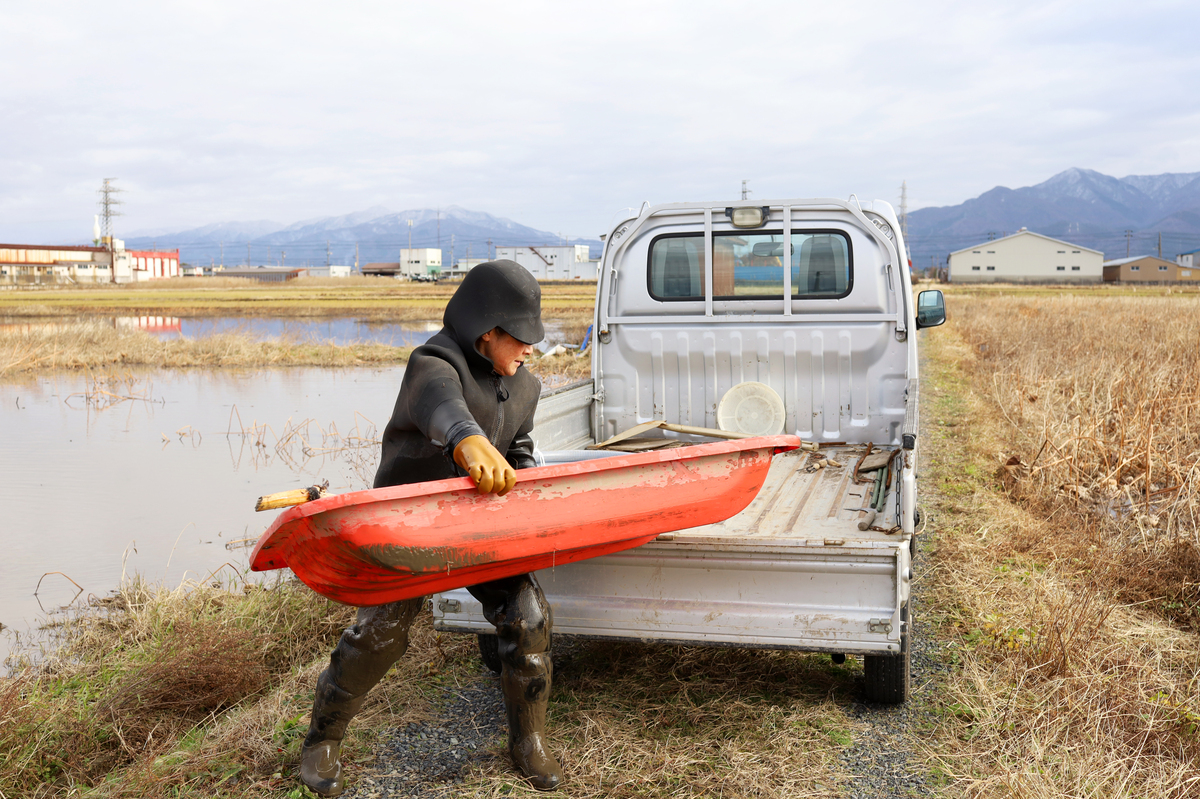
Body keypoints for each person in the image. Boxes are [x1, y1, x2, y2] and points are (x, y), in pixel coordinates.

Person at [299, 260, 562, 795]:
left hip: (478, 528)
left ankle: (528, 743)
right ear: (487, 333)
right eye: (521, 339)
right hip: (408, 528)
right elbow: (440, 405)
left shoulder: (526, 386)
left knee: (528, 618)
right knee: (377, 637)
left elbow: (521, 449)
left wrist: (528, 484)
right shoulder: (433, 362)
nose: (530, 350)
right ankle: (321, 740)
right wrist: (465, 439)